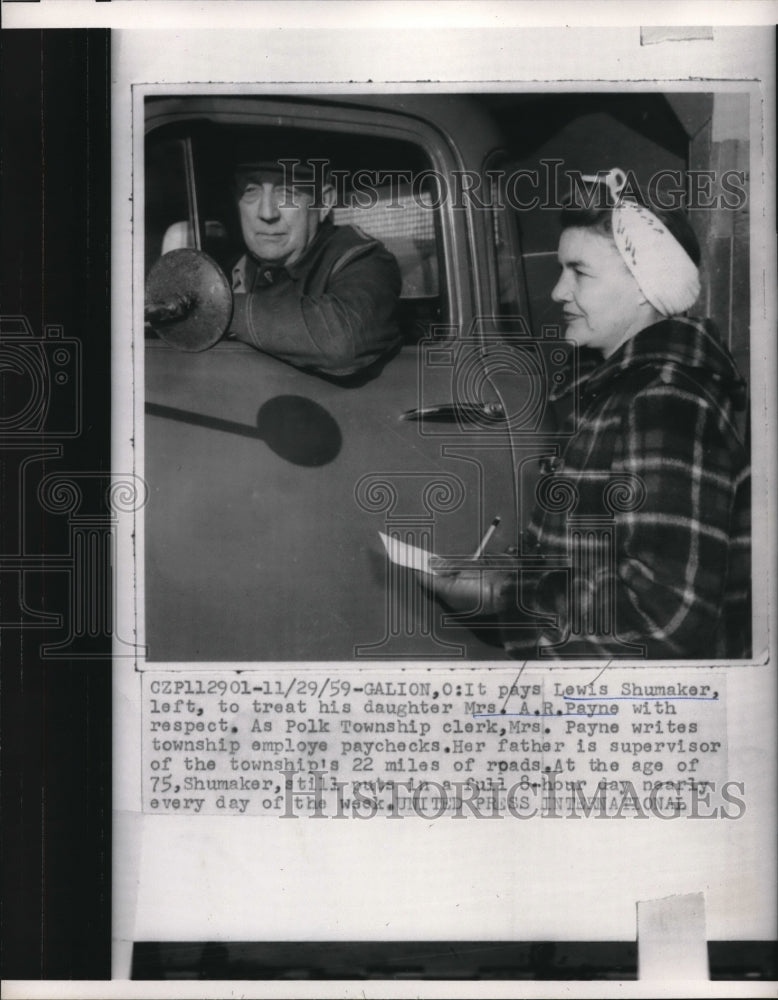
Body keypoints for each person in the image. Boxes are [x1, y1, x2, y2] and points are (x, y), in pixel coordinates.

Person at [426, 168, 751, 659]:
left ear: (646, 286)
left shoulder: (667, 398)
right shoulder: (616, 388)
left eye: (579, 271)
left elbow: (664, 617)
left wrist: (507, 595)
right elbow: (593, 558)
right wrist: (508, 576)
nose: (558, 291)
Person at [227, 157, 402, 377]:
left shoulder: (364, 259)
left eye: (288, 192)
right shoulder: (230, 268)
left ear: (324, 202)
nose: (267, 213)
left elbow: (342, 340)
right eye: (251, 190)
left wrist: (222, 310)